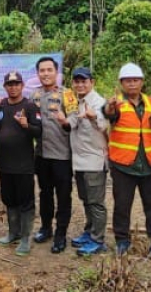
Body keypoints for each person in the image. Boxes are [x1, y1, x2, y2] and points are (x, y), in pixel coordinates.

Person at [103, 63, 151, 258]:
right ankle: (122, 240)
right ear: (121, 83)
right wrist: (110, 108)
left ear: (142, 82)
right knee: (122, 205)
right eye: (127, 81)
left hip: (148, 163)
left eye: (135, 80)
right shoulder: (116, 104)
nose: (132, 84)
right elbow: (109, 114)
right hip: (123, 165)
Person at [0, 71, 41, 256]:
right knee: (9, 198)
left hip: (24, 164)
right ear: (5, 87)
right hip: (5, 164)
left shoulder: (29, 106)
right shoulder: (1, 106)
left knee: (25, 201)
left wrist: (26, 125)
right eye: (9, 84)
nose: (13, 87)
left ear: (22, 86)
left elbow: (39, 131)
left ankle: (25, 238)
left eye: (16, 84)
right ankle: (13, 232)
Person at [30, 56, 75, 254]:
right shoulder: (35, 95)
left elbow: (75, 120)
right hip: (41, 155)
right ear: (38, 73)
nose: (46, 74)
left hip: (63, 156)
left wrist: (66, 122)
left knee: (63, 196)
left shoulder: (68, 94)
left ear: (57, 72)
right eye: (42, 70)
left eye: (49, 70)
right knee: (45, 194)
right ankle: (46, 228)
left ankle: (61, 234)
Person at [67, 68, 109, 256]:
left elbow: (106, 128)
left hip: (94, 161)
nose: (80, 84)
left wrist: (93, 118)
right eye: (76, 81)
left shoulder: (99, 103)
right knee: (86, 200)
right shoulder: (76, 102)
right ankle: (89, 231)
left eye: (83, 81)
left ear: (92, 82)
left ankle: (98, 240)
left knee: (96, 202)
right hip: (79, 161)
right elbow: (72, 124)